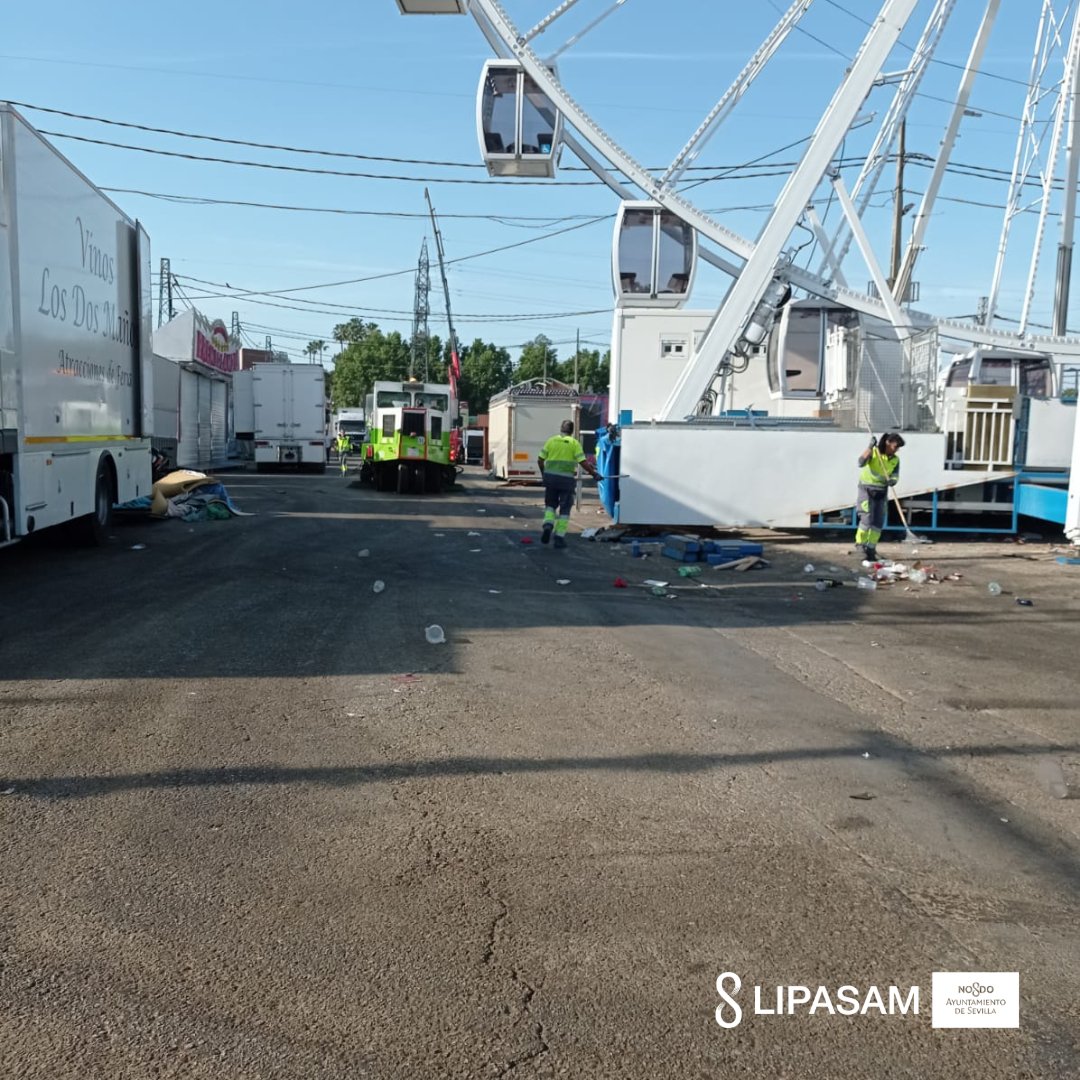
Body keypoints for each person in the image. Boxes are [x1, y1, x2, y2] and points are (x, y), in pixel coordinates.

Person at [538, 419, 601, 549]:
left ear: (561, 428)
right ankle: (559, 537)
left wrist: (544, 474)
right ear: (572, 431)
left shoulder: (551, 441)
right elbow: (583, 462)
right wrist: (594, 474)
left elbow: (540, 459)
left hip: (550, 479)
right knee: (565, 509)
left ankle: (548, 525)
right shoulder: (574, 443)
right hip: (566, 481)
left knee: (550, 505)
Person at [855, 432, 905, 562]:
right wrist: (869, 447)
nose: (897, 450)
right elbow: (860, 463)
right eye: (896, 446)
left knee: (878, 522)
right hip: (867, 489)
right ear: (888, 443)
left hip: (882, 491)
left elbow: (895, 475)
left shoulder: (895, 459)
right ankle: (860, 546)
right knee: (866, 519)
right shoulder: (875, 452)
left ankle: (871, 549)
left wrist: (893, 481)